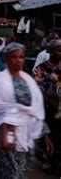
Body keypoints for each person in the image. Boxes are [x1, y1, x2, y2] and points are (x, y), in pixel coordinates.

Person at [0, 43, 49, 179]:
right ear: (6, 59)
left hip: (24, 132)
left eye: (21, 57)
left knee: (21, 170)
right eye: (13, 57)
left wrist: (44, 134)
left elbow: (36, 108)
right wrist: (8, 118)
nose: (18, 60)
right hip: (4, 132)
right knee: (9, 171)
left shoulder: (28, 81)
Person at [34, 39, 61, 173]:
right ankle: (48, 161)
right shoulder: (43, 67)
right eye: (59, 49)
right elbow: (37, 86)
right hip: (48, 108)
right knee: (49, 134)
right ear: (50, 51)